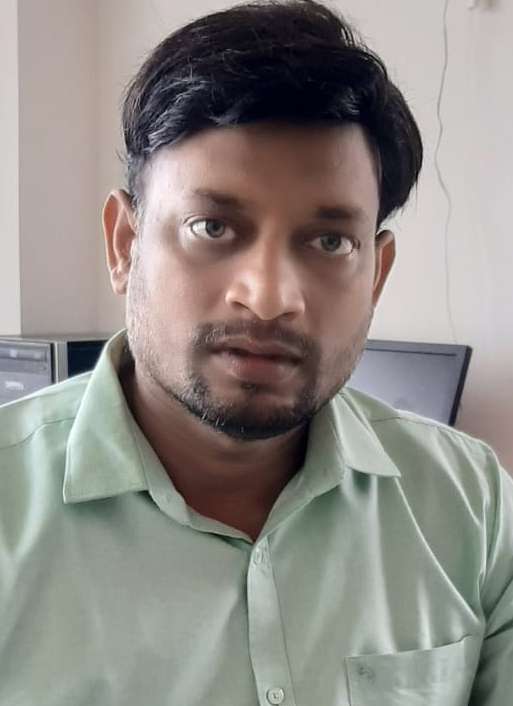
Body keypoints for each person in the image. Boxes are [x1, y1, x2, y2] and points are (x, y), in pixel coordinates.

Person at [0, 1, 511, 703]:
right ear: (124, 245)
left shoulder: (472, 507)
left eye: (329, 241)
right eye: (212, 227)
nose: (269, 298)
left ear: (376, 274)